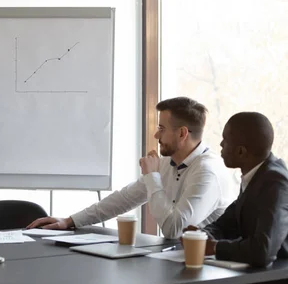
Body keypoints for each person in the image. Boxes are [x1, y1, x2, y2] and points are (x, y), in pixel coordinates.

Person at [27, 97, 236, 239]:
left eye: (161, 129)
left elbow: (174, 229)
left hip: (207, 271)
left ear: (182, 133)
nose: (156, 136)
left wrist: (152, 176)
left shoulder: (207, 172)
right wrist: (69, 221)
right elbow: (125, 199)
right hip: (177, 260)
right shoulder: (166, 163)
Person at [183, 112, 288, 268]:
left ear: (241, 151)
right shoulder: (256, 175)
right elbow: (228, 223)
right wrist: (202, 235)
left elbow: (263, 251)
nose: (221, 144)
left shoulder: (275, 182)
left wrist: (215, 247)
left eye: (225, 140)